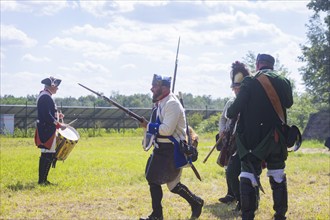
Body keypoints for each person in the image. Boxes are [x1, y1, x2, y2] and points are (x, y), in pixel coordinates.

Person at [227, 54, 293, 220]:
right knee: (277, 173)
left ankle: (248, 216)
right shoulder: (284, 81)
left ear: (257, 65)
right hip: (277, 138)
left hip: (252, 140)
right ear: (272, 65)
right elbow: (289, 103)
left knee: (248, 175)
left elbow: (233, 110)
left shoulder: (249, 81)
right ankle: (280, 215)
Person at [140, 74, 204, 220]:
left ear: (164, 87)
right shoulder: (161, 103)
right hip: (161, 148)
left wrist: (148, 126)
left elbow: (167, 129)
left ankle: (157, 215)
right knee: (172, 185)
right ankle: (196, 202)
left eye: (155, 86)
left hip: (170, 150)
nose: (152, 89)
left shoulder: (172, 104)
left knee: (153, 179)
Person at [218, 61, 250, 211]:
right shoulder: (231, 101)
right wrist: (222, 130)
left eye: (238, 87)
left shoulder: (250, 102)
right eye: (234, 88)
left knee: (241, 172)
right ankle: (233, 195)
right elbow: (223, 118)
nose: (236, 90)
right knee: (228, 169)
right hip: (229, 138)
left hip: (243, 141)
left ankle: (245, 201)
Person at [34, 76, 66, 185]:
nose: (57, 89)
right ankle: (42, 180)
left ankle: (43, 180)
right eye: (56, 86)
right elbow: (47, 116)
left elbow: (47, 113)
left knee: (48, 153)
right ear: (52, 86)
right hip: (46, 129)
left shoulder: (45, 96)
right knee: (47, 154)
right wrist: (58, 124)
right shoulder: (45, 97)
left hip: (46, 128)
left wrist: (57, 115)